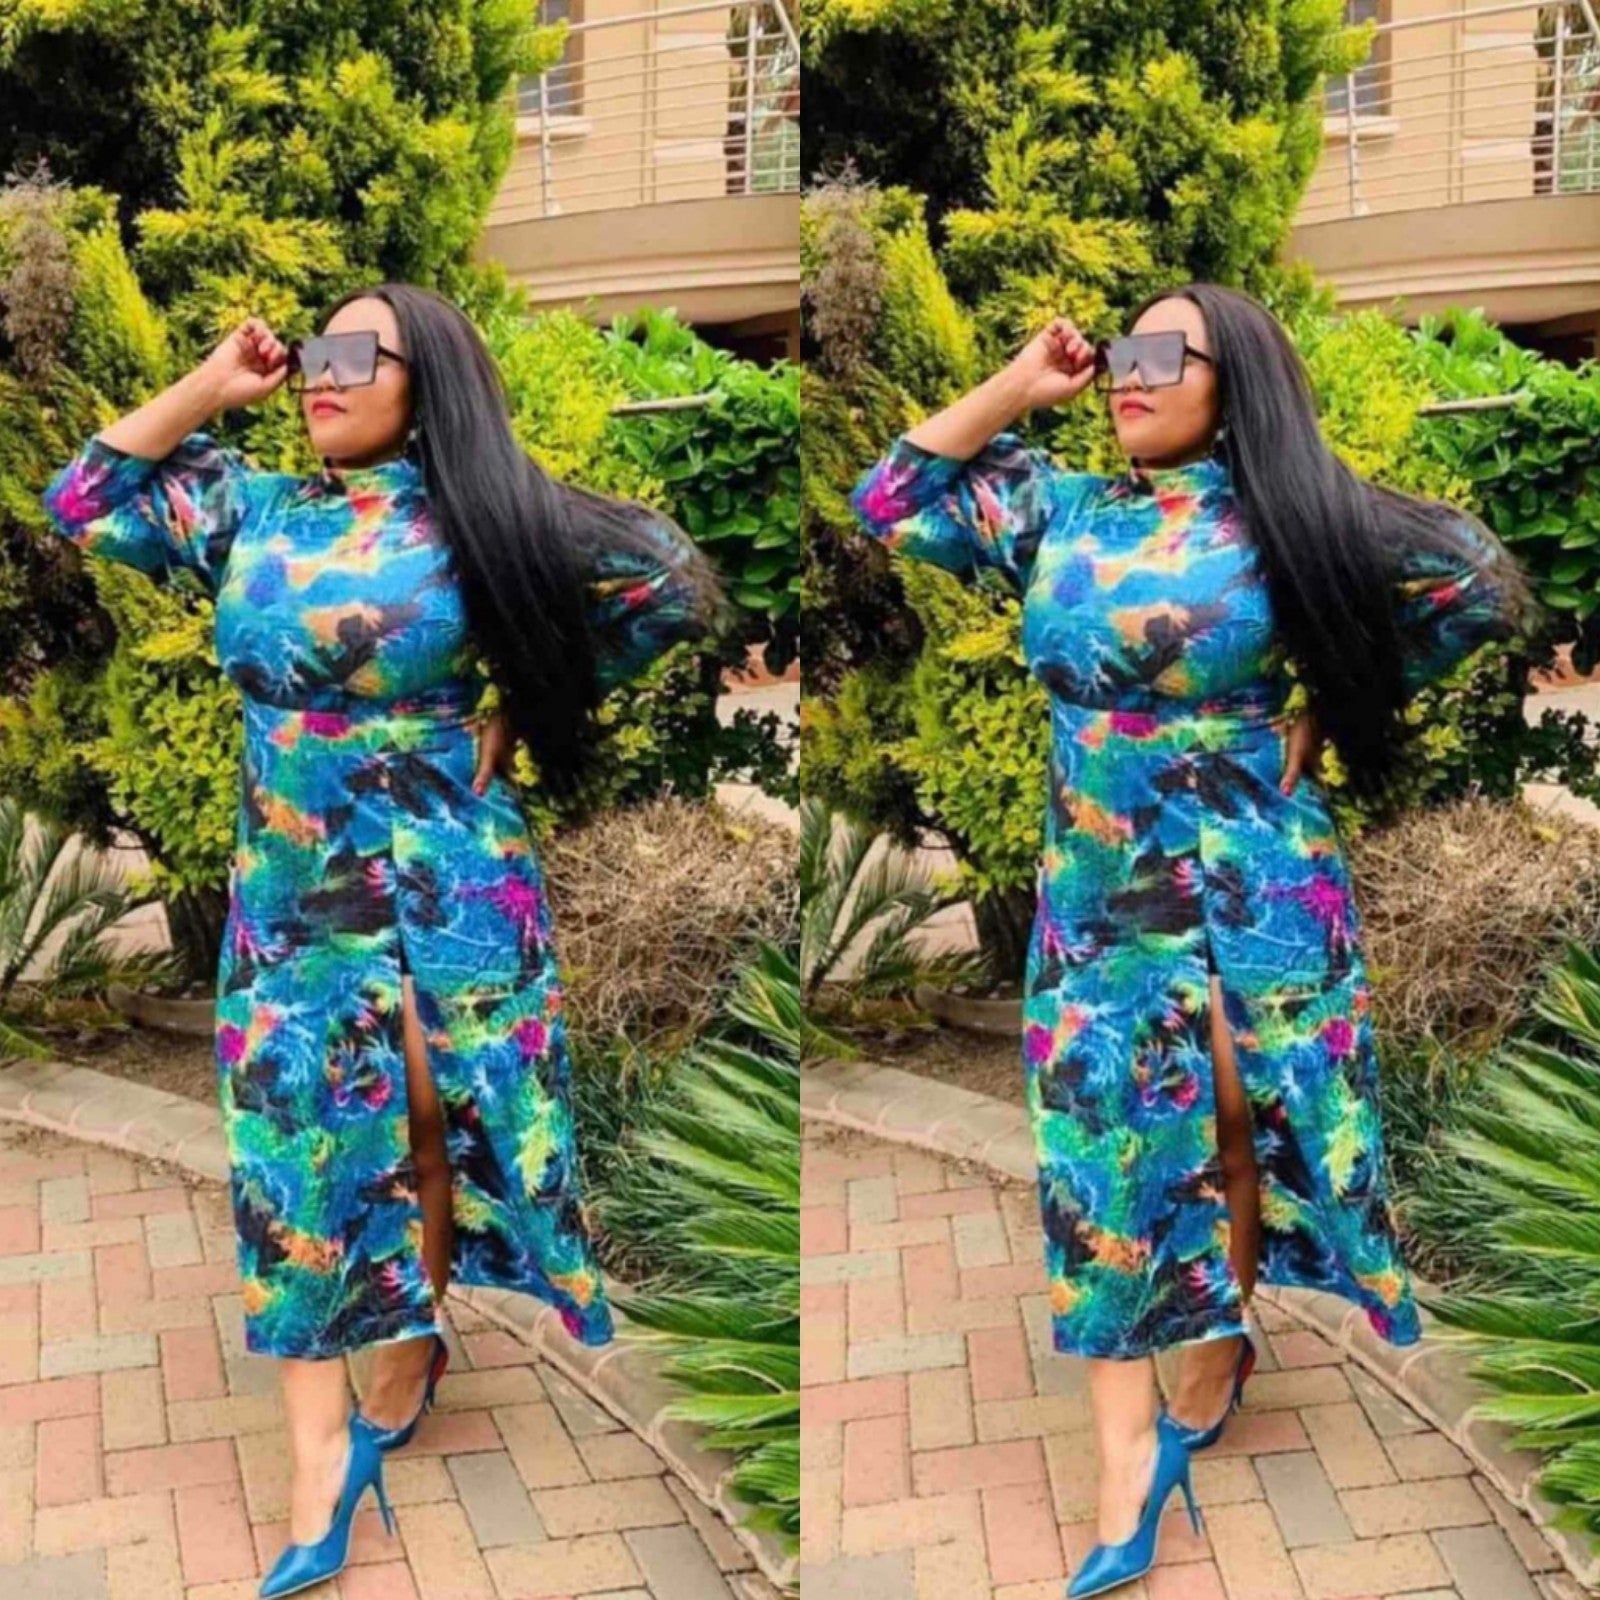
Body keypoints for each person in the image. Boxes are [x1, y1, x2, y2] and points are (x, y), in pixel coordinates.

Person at [847, 281, 1536, 1598]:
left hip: (1263, 873)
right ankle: (1128, 1457)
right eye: (1125, 350)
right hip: (1105, 888)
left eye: (1170, 353)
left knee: (1244, 1115)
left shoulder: (1297, 515)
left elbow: (1478, 582)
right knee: (1102, 1144)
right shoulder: (1058, 510)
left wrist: (1339, 700)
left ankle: (1219, 1338)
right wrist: (1018, 383)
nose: (1134, 371)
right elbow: (890, 497)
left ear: (1237, 381)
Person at [41, 282, 728, 1598]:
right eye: (318, 350)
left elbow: (671, 582)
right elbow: (84, 496)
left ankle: (411, 1338)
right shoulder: (251, 511)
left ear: (430, 381)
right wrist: (210, 384)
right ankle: (321, 1459)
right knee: (294, 1143)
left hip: (454, 872)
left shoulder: (490, 515)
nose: (327, 371)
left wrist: (531, 699)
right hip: (297, 887)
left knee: (431, 1114)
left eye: (362, 353)